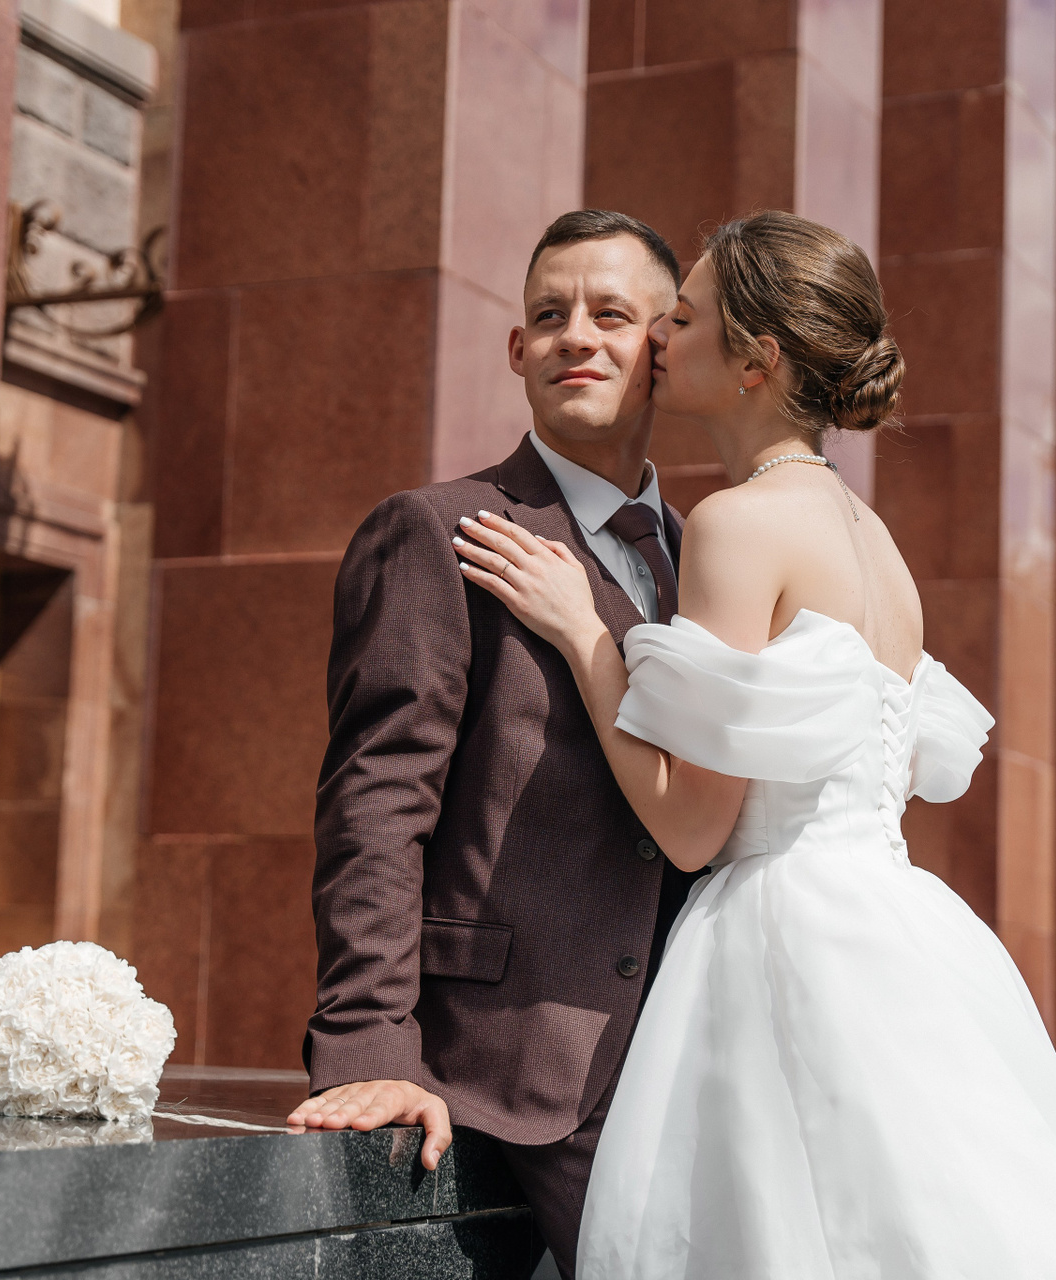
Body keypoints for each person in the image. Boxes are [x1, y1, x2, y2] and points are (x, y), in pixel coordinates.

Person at [450, 211, 1056, 1279]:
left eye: (683, 318)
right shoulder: (873, 538)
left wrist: (585, 635)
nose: (657, 337)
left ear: (755, 361)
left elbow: (692, 825)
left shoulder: (736, 524)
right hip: (899, 932)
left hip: (781, 936)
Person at [289, 209, 702, 1279]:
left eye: (612, 314)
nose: (577, 336)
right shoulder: (439, 529)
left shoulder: (712, 560)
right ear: (518, 350)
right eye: (549, 316)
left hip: (693, 1057)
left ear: (666, 344)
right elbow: (378, 803)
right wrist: (369, 1045)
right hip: (507, 1064)